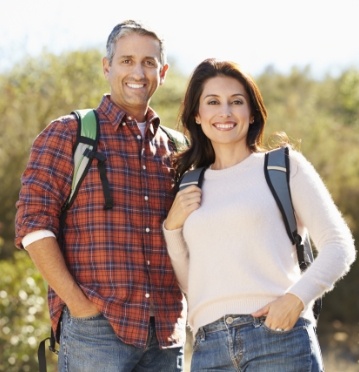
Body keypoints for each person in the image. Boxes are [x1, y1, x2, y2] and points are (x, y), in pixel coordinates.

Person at [163, 58, 356, 371]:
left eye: (236, 102)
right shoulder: (189, 184)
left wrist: (296, 300)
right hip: (209, 349)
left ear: (251, 112)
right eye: (213, 102)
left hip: (278, 339)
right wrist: (171, 228)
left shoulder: (283, 166)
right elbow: (192, 284)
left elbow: (339, 245)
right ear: (197, 115)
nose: (225, 112)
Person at [15, 20, 187, 372]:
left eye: (148, 62)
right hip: (96, 330)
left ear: (163, 72)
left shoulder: (178, 149)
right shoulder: (69, 133)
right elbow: (33, 226)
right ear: (106, 67)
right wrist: (79, 305)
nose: (138, 71)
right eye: (126, 61)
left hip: (167, 335)